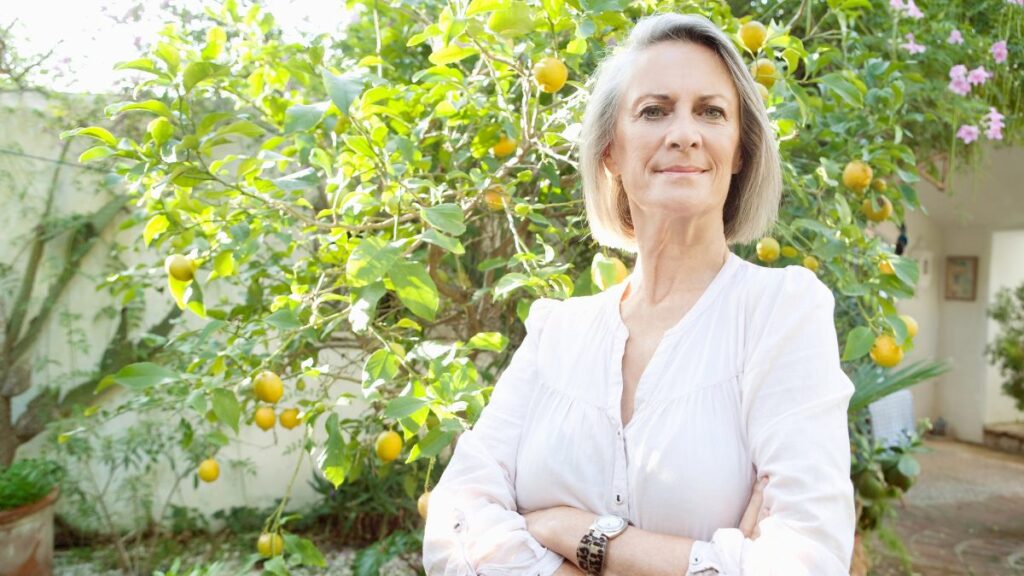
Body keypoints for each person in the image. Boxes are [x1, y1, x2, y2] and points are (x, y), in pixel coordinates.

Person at [422, 12, 856, 576]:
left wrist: (568, 531)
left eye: (711, 111)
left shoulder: (781, 311)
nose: (684, 133)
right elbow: (453, 527)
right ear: (610, 152)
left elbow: (808, 562)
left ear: (740, 150)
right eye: (654, 111)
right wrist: (710, 561)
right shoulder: (557, 330)